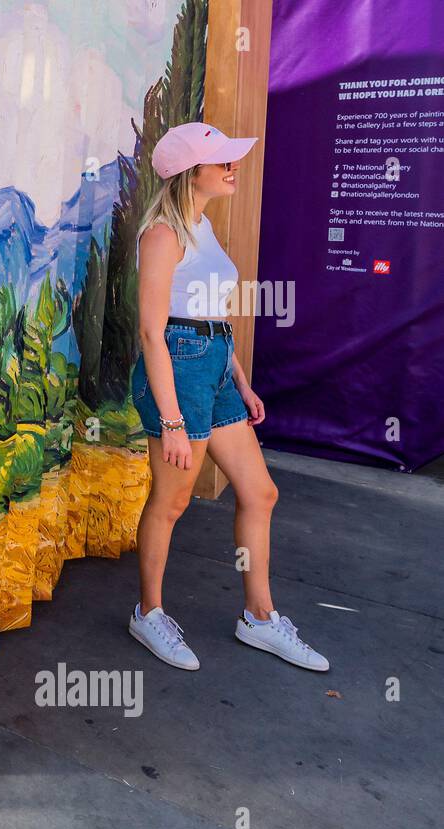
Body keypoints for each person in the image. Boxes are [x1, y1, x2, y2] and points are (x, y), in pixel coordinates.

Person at [127, 122, 328, 673]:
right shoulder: (163, 236)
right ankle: (148, 612)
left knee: (260, 493)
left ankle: (259, 619)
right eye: (223, 162)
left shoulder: (203, 226)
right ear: (193, 172)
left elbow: (211, 314)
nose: (233, 168)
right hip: (179, 370)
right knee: (171, 502)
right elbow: (152, 331)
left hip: (213, 363)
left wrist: (239, 378)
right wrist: (170, 420)